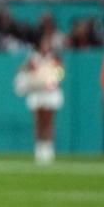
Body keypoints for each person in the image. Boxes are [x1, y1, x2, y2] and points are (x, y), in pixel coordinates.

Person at [15, 32, 64, 164]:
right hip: (37, 92)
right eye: (43, 43)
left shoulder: (54, 58)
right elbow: (22, 70)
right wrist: (29, 72)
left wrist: (54, 81)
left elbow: (60, 73)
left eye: (47, 43)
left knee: (48, 121)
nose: (45, 46)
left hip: (50, 93)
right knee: (38, 121)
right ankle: (39, 148)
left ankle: (48, 149)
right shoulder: (32, 58)